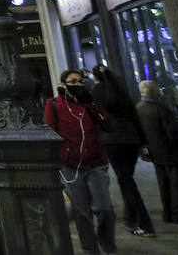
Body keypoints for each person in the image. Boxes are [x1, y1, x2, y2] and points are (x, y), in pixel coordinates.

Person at [45, 69, 117, 254]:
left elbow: (109, 126)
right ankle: (90, 248)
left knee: (104, 209)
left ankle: (107, 242)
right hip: (70, 166)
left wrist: (92, 105)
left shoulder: (89, 103)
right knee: (82, 212)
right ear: (63, 84)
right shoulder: (54, 104)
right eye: (72, 81)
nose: (77, 84)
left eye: (79, 81)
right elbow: (50, 132)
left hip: (95, 162)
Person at [91, 65, 154, 237]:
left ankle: (145, 223)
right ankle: (131, 216)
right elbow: (134, 116)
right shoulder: (120, 91)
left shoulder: (96, 92)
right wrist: (144, 142)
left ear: (95, 78)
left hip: (111, 140)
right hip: (131, 139)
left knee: (127, 182)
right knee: (127, 180)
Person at [138, 79, 178, 225]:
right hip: (170, 152)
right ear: (155, 92)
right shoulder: (162, 109)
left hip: (154, 152)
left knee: (163, 183)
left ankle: (167, 212)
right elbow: (172, 132)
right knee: (176, 184)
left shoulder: (139, 108)